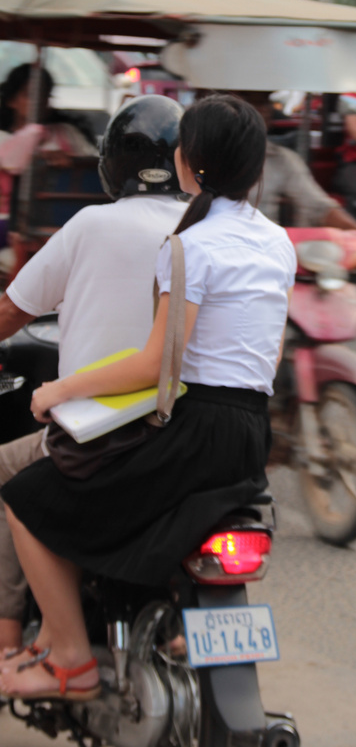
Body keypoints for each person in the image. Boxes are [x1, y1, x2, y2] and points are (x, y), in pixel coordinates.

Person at [0, 95, 295, 701]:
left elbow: (156, 365)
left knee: (27, 497)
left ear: (191, 161)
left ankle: (71, 659)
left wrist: (60, 388)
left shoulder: (190, 246)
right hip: (250, 436)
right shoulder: (277, 242)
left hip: (191, 427)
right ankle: (181, 624)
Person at [0, 95, 186, 654]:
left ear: (114, 164)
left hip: (101, 432)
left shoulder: (91, 224)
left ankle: (8, 638)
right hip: (190, 434)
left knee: (10, 476)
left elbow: (13, 311)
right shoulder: (206, 228)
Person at [238, 91, 356, 247]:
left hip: (260, 250)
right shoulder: (210, 157)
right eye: (252, 102)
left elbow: (317, 205)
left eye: (264, 103)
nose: (263, 110)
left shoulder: (281, 159)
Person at [0, 65, 97, 253]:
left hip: (67, 222)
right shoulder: (3, 138)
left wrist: (72, 161)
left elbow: (95, 165)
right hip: (11, 223)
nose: (38, 102)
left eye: (44, 96)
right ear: (12, 100)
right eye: (29, 95)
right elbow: (13, 162)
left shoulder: (67, 133)